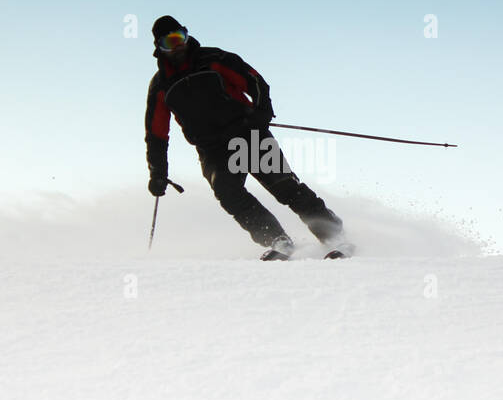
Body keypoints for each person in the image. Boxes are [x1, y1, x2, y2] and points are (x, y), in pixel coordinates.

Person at [143, 15, 349, 259]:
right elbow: (156, 134)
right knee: (228, 193)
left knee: (283, 186)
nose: (178, 46)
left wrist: (262, 112)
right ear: (159, 48)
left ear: (187, 36)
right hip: (212, 149)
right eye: (169, 42)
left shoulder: (214, 59)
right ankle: (278, 240)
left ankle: (333, 234)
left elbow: (255, 81)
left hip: (246, 133)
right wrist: (158, 173)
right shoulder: (161, 86)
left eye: (180, 38)